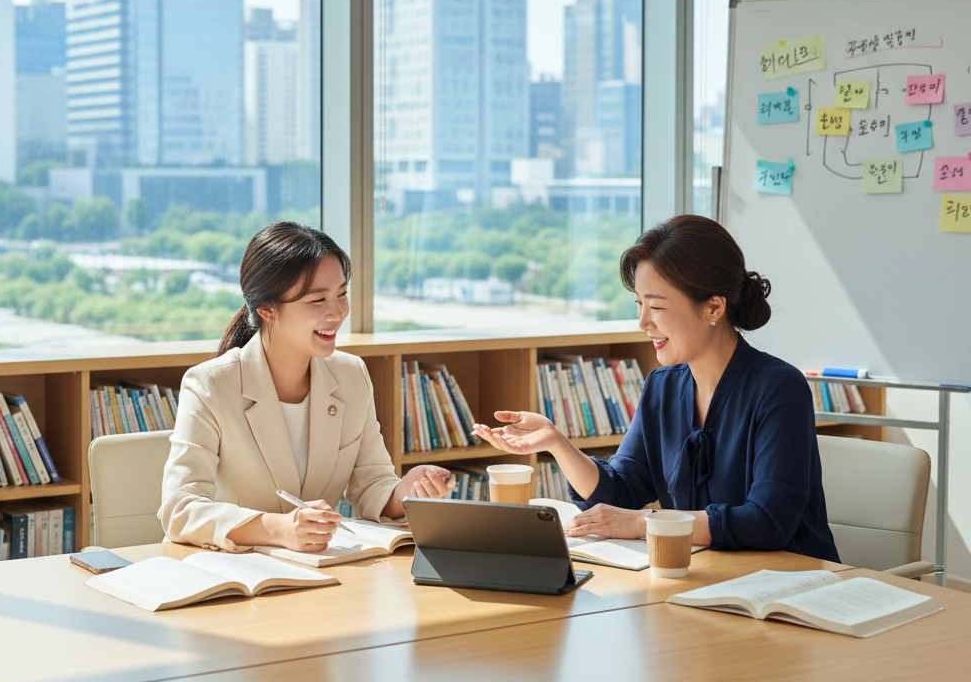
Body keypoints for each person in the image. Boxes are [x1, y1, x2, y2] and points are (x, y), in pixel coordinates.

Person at [473, 215, 839, 561]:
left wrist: (642, 523)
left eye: (657, 307)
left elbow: (768, 522)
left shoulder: (779, 389)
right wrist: (556, 442)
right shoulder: (661, 387)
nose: (643, 322)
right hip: (706, 580)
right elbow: (622, 490)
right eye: (638, 305)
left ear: (713, 307)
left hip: (792, 590)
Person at [159, 222, 454, 553]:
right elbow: (179, 509)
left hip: (321, 570)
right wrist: (278, 529)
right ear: (267, 309)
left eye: (341, 294)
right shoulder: (210, 385)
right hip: (240, 574)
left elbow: (371, 481)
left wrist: (403, 493)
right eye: (318, 300)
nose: (337, 312)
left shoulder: (351, 375)